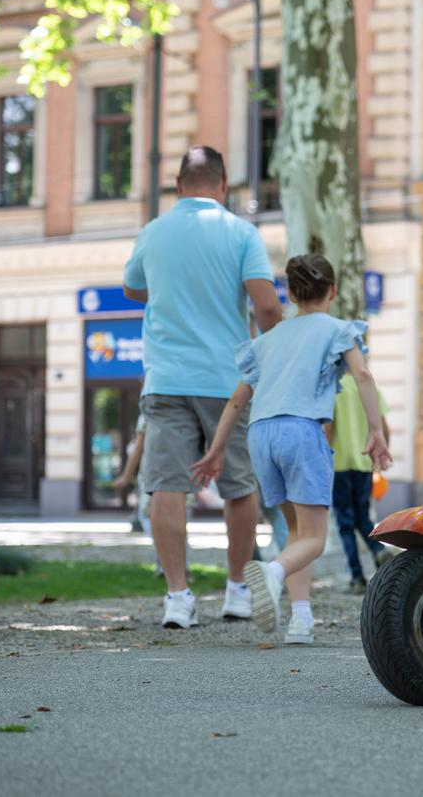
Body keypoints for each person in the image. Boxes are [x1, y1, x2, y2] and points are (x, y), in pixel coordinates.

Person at [189, 254, 392, 646]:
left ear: (291, 293)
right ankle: (273, 572)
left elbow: (236, 401)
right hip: (301, 431)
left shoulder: (268, 340)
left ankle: (301, 620)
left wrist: (215, 450)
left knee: (297, 531)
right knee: (314, 538)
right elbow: (363, 374)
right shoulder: (337, 330)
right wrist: (376, 431)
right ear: (331, 291)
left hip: (261, 435)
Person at [123, 146, 283, 629]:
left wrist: (173, 290)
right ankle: (236, 590)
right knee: (239, 484)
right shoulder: (240, 233)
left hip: (166, 379)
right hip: (227, 381)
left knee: (165, 486)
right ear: (224, 183)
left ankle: (178, 597)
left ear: (177, 185)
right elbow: (268, 307)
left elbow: (133, 288)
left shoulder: (153, 232)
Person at [325, 373, 395, 593]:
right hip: (365, 462)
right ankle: (377, 549)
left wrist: (324, 459)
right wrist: (380, 455)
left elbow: (329, 428)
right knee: (363, 517)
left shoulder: (333, 387)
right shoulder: (368, 388)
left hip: (339, 464)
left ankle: (356, 578)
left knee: (345, 522)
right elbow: (385, 429)